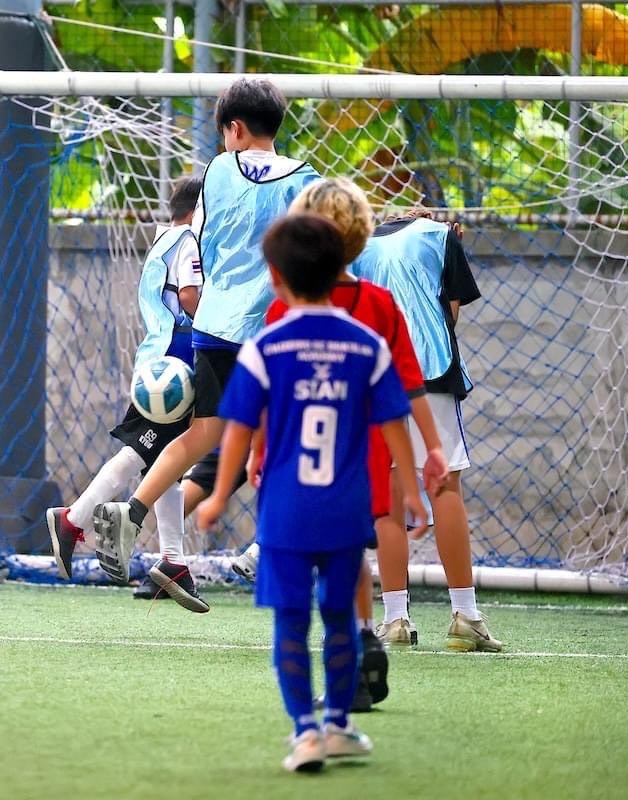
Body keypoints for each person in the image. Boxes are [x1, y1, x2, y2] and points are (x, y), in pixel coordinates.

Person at [196, 213, 428, 772]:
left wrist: (218, 494)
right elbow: (394, 419)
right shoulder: (366, 346)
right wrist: (413, 487)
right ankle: (340, 727)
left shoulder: (266, 347)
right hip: (348, 513)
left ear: (274, 277)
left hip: (285, 516)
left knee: (291, 622)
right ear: (343, 270)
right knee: (342, 621)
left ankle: (305, 732)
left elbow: (239, 430)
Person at [92, 78, 321, 612]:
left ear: (234, 130)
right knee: (292, 437)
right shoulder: (305, 182)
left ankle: (130, 513)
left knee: (200, 436)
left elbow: (209, 244)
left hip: (214, 327)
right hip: (269, 331)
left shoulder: (218, 171)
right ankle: (271, 545)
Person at [230, 178, 450, 707]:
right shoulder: (378, 303)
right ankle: (361, 635)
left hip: (303, 462)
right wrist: (433, 445)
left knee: (325, 559)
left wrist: (259, 450)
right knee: (349, 551)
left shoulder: (282, 310)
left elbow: (264, 393)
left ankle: (346, 645)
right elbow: (409, 381)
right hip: (363, 452)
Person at [45, 176, 207, 609]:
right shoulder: (190, 238)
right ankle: (74, 519)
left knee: (169, 459)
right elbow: (190, 298)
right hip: (177, 362)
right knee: (143, 449)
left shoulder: (163, 239)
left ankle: (173, 560)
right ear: (200, 208)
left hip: (160, 358)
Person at [349, 208, 503, 652]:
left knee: (390, 493)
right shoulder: (442, 236)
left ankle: (396, 619)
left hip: (375, 378)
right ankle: (466, 616)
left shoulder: (361, 243)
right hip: (429, 375)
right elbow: (449, 315)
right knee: (446, 483)